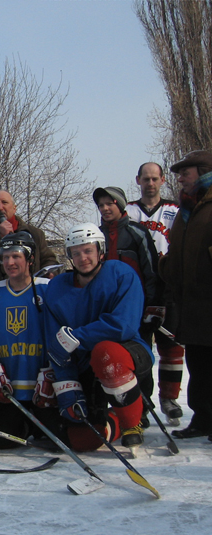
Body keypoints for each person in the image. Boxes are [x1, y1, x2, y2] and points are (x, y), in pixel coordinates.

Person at [44, 223, 152, 451]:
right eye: (76, 252)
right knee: (82, 440)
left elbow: (124, 325)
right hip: (84, 364)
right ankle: (115, 421)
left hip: (124, 355)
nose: (83, 258)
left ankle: (132, 422)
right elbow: (56, 344)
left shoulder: (121, 274)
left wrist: (78, 337)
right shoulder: (56, 287)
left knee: (106, 352)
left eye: (88, 250)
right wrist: (67, 385)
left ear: (100, 250)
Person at [93, 186, 161, 427]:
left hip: (136, 309)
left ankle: (141, 407)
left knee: (138, 358)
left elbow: (151, 270)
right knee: (107, 358)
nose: (105, 208)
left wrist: (153, 305)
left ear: (120, 205)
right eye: (101, 205)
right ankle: (106, 407)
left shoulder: (136, 232)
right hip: (105, 310)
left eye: (109, 203)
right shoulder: (96, 235)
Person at [0, 233, 56, 446]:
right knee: (3, 441)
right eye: (5, 257)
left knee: (62, 439)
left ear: (30, 258)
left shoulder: (48, 288)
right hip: (8, 390)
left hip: (44, 389)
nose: (10, 262)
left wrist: (55, 367)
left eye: (16, 256)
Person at [159, 150, 212, 438]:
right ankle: (202, 419)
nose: (180, 179)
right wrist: (166, 265)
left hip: (209, 300)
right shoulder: (185, 211)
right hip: (191, 305)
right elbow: (178, 251)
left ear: (203, 172)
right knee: (199, 366)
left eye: (185, 173)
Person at [127, 163, 184, 425]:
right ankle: (143, 401)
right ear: (138, 180)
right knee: (140, 349)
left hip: (169, 287)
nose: (150, 183)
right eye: (145, 179)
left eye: (154, 178)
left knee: (172, 345)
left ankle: (169, 398)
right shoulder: (127, 211)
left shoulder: (177, 211)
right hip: (137, 290)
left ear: (162, 180)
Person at [0, 190, 58, 287]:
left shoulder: (35, 234)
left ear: (14, 208)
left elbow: (48, 259)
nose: (0, 207)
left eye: (4, 202)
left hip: (31, 294)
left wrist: (50, 272)